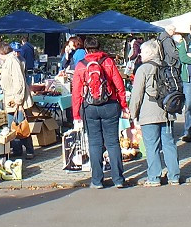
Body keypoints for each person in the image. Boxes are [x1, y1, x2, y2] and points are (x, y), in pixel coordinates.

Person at [71, 36, 129, 189]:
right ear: (100, 47)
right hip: (110, 105)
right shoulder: (108, 62)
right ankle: (118, 179)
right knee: (113, 142)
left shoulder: (81, 65)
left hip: (89, 108)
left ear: (85, 49)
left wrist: (76, 114)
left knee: (95, 143)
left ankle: (97, 180)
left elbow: (76, 91)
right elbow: (119, 85)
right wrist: (124, 105)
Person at [129, 38, 181, 186]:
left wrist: (133, 114)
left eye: (141, 52)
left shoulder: (143, 69)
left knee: (152, 146)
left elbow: (137, 94)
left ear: (148, 52)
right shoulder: (167, 66)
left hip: (149, 113)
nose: (140, 54)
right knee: (169, 144)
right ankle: (174, 176)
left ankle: (154, 177)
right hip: (167, 111)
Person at [0, 44, 34, 158]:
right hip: (10, 99)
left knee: (21, 125)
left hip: (16, 99)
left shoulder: (13, 61)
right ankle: (17, 150)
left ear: (3, 54)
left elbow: (19, 82)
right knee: (12, 126)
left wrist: (19, 100)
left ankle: (29, 150)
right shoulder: (8, 62)